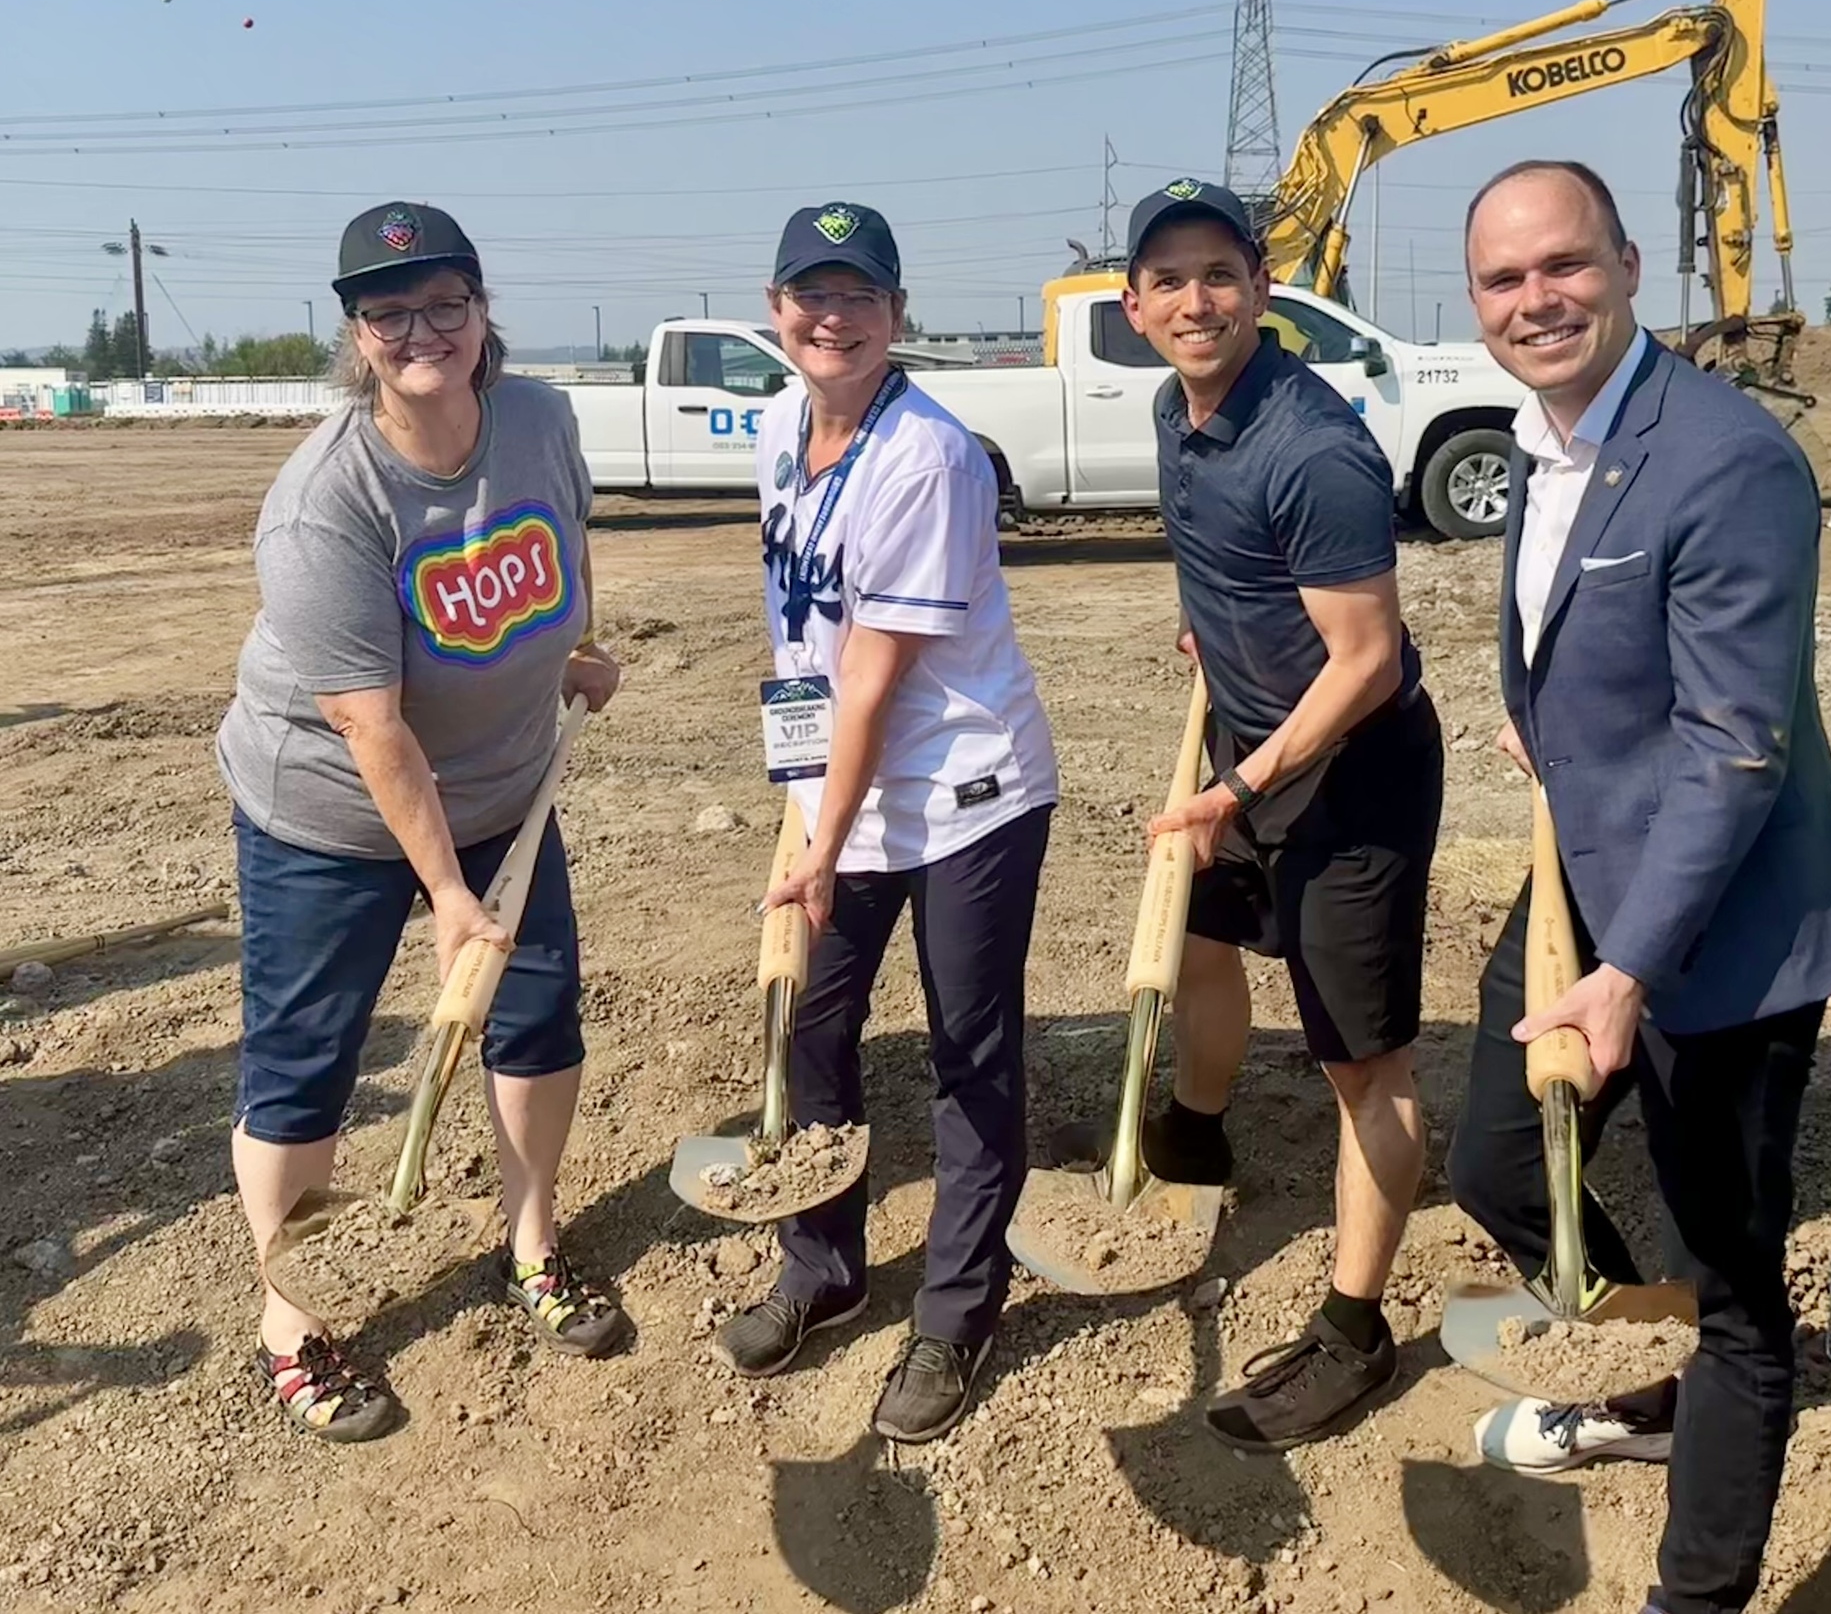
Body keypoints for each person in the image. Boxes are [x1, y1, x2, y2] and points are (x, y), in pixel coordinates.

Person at [1447, 160, 1831, 1614]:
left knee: (1739, 1286)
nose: (1537, 300)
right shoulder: (1545, 438)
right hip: (1584, 875)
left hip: (1727, 930)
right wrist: (1540, 712)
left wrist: (1627, 972)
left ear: (1631, 266)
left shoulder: (1727, 457)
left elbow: (1735, 749)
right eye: (1506, 281)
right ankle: (1673, 1353)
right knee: (1498, 1166)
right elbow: (1569, 631)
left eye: (1563, 266)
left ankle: (1695, 1583)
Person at [217, 202, 628, 1442]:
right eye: (388, 313)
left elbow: (557, 541)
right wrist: (448, 897)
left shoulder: (540, 417)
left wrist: (572, 649)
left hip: (506, 787)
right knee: (307, 1060)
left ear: (481, 307)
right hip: (329, 813)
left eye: (443, 302)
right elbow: (370, 727)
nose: (420, 332)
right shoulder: (324, 502)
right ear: (356, 333)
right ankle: (289, 1317)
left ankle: (533, 1240)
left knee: (537, 1015)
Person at [710, 202, 1058, 1444]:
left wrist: (819, 834)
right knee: (810, 1017)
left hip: (965, 793)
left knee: (968, 1047)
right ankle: (822, 1265)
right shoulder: (773, 429)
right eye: (810, 294)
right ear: (775, 307)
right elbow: (800, 642)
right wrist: (801, 807)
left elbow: (874, 670)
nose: (832, 317)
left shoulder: (929, 455)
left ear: (896, 317)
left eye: (859, 297)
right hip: (842, 783)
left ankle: (957, 1309)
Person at [1119, 179, 1444, 1451]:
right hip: (1246, 747)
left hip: (1347, 777)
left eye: (1218, 273)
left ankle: (1354, 1333)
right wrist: (1214, 629)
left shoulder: (1311, 444)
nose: (1194, 301)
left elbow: (1364, 660)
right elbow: (1219, 549)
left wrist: (1234, 791)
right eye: (1168, 280)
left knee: (1362, 1063)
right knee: (1200, 942)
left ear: (1260, 285)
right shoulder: (1176, 408)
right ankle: (1198, 1134)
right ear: (1136, 307)